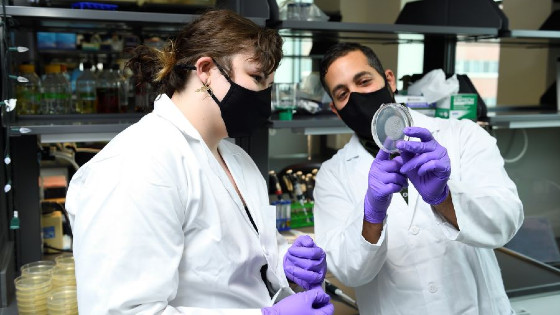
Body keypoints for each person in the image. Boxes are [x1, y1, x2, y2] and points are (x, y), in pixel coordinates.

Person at [65, 10, 333, 315]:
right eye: (257, 78)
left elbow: (232, 266)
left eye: (269, 83)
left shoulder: (235, 158)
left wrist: (283, 262)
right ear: (205, 69)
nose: (264, 95)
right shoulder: (136, 165)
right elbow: (127, 311)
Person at [312, 42, 524, 314]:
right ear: (335, 110)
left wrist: (443, 198)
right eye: (342, 94)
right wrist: (371, 215)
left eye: (363, 81)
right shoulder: (333, 175)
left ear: (389, 80)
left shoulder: (463, 135)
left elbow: (506, 221)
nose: (356, 97)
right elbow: (349, 271)